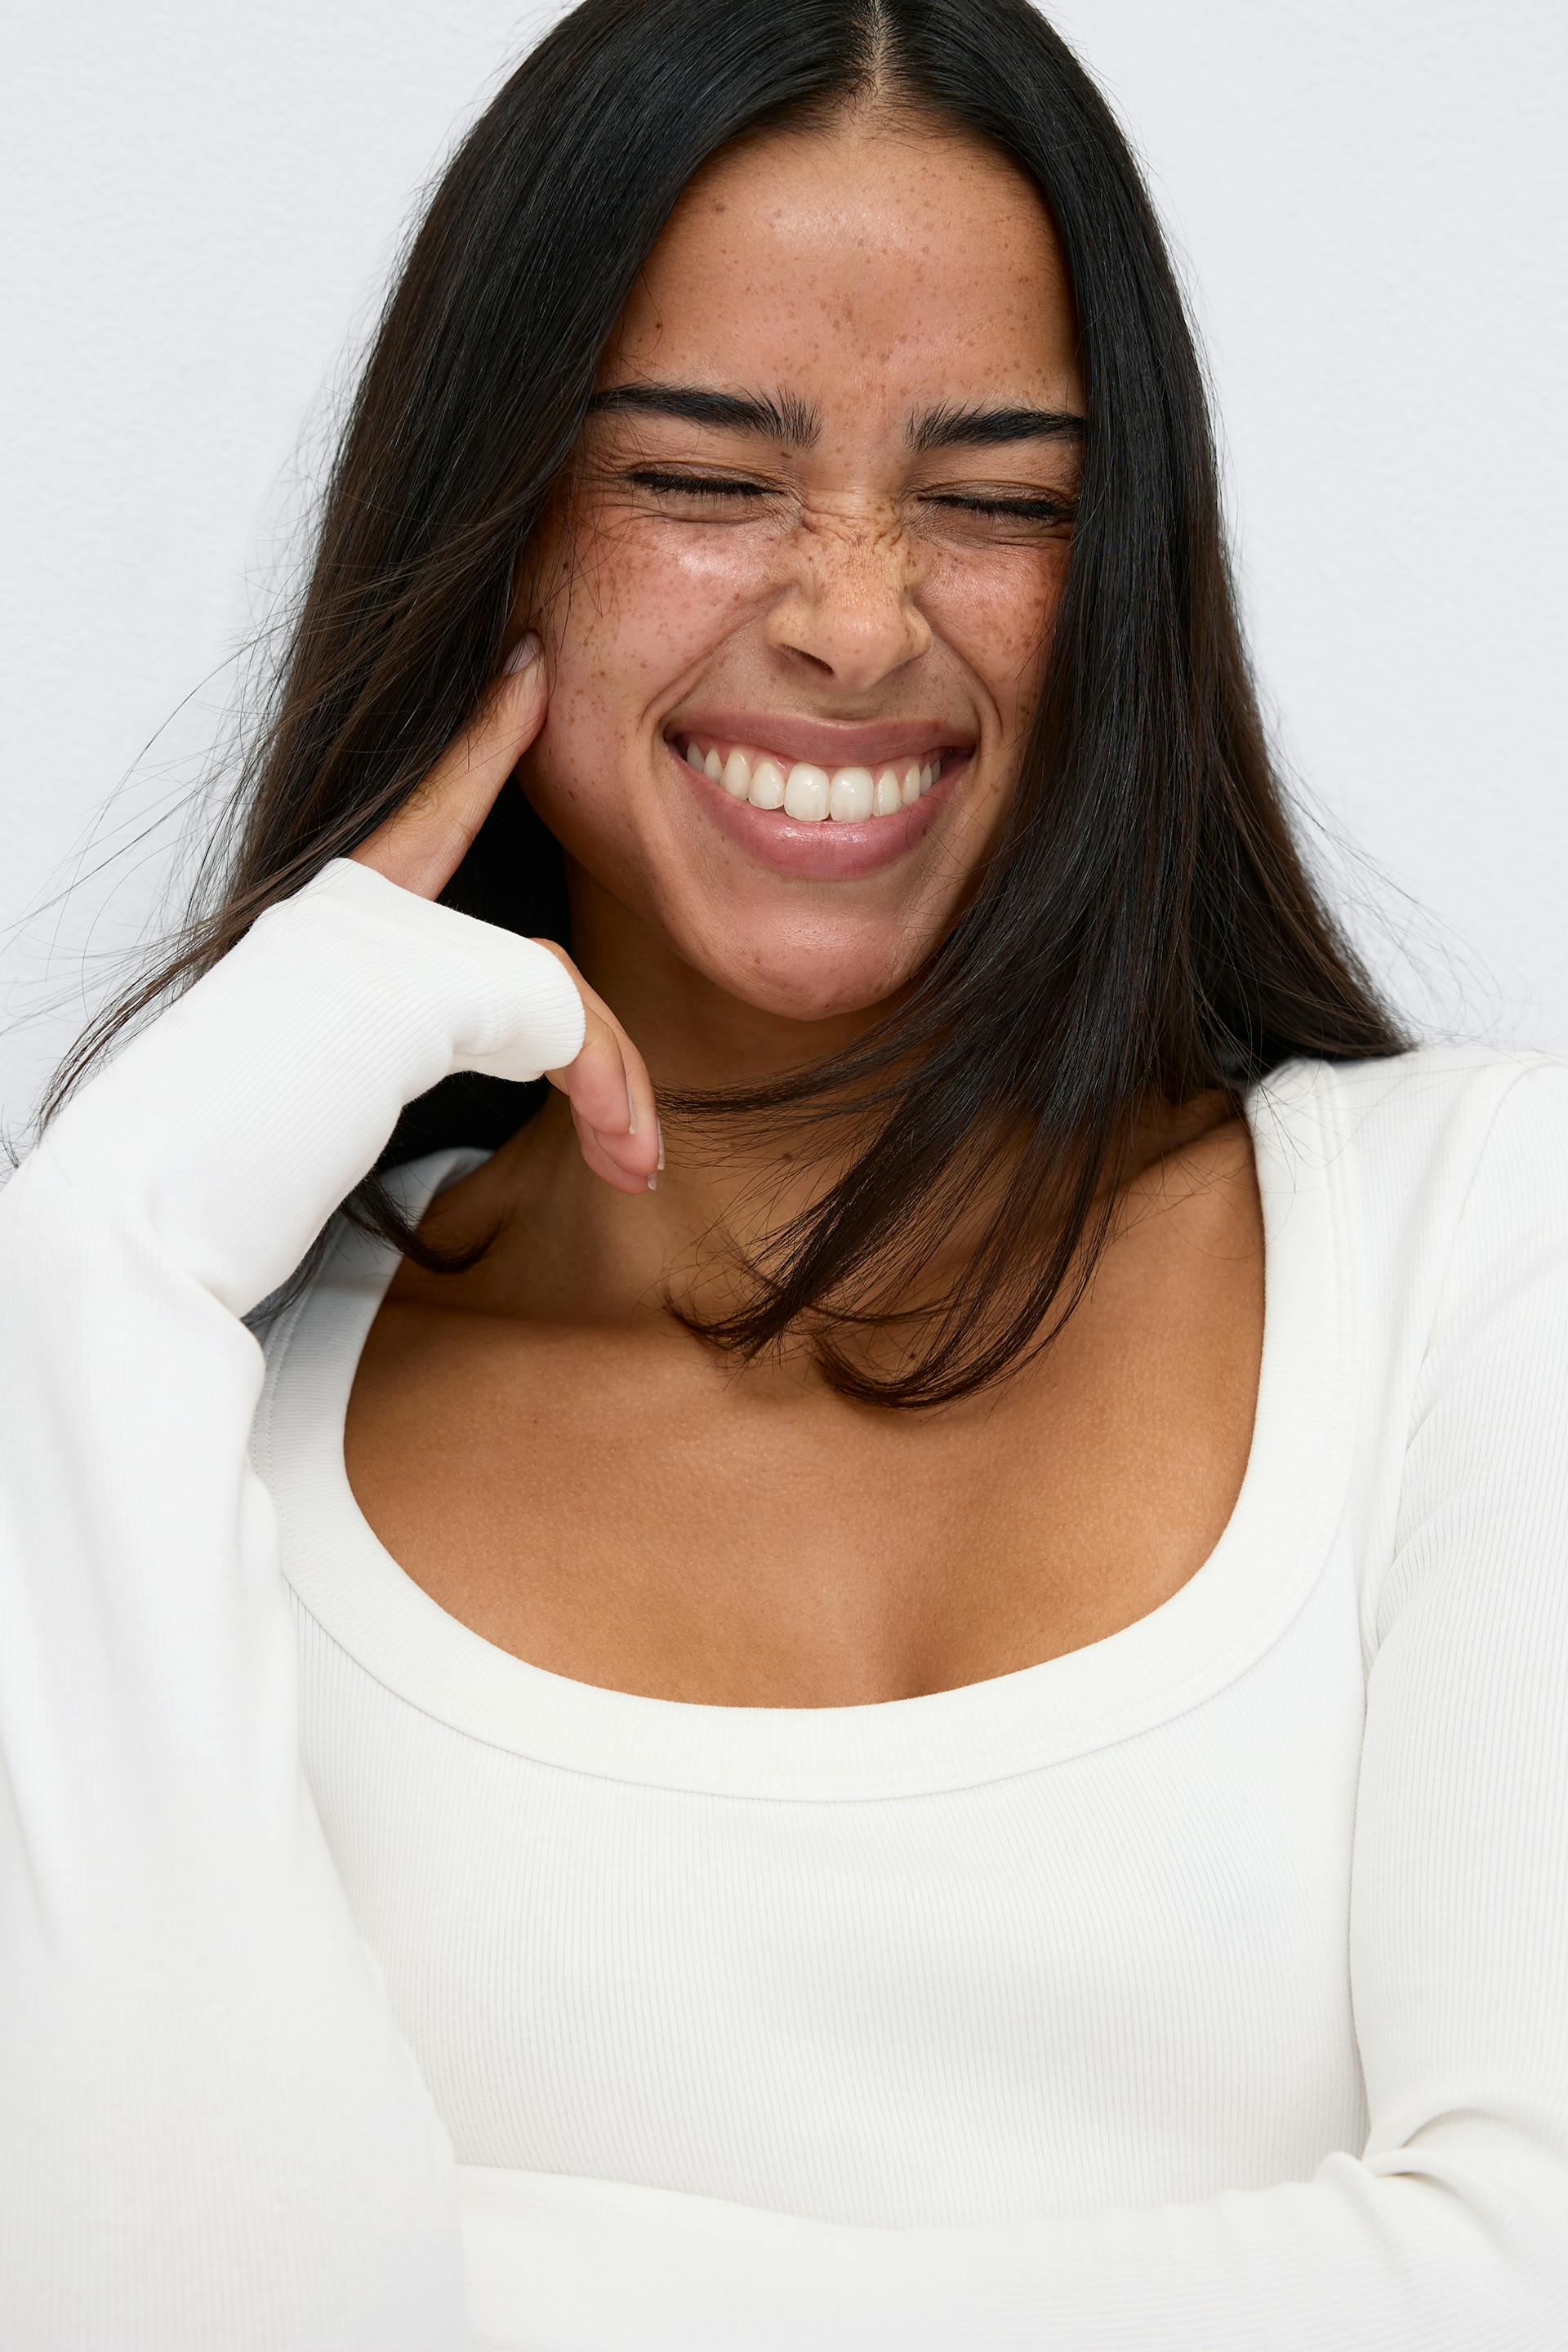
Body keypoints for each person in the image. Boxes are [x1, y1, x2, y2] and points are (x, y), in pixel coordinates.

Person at [2, 1, 1566, 2345]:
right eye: (707, 481)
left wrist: (403, 2281)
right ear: (497, 521)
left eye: (1001, 498)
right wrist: (98, 1267)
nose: (855, 617)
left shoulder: (1471, 1253)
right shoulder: (180, 1431)